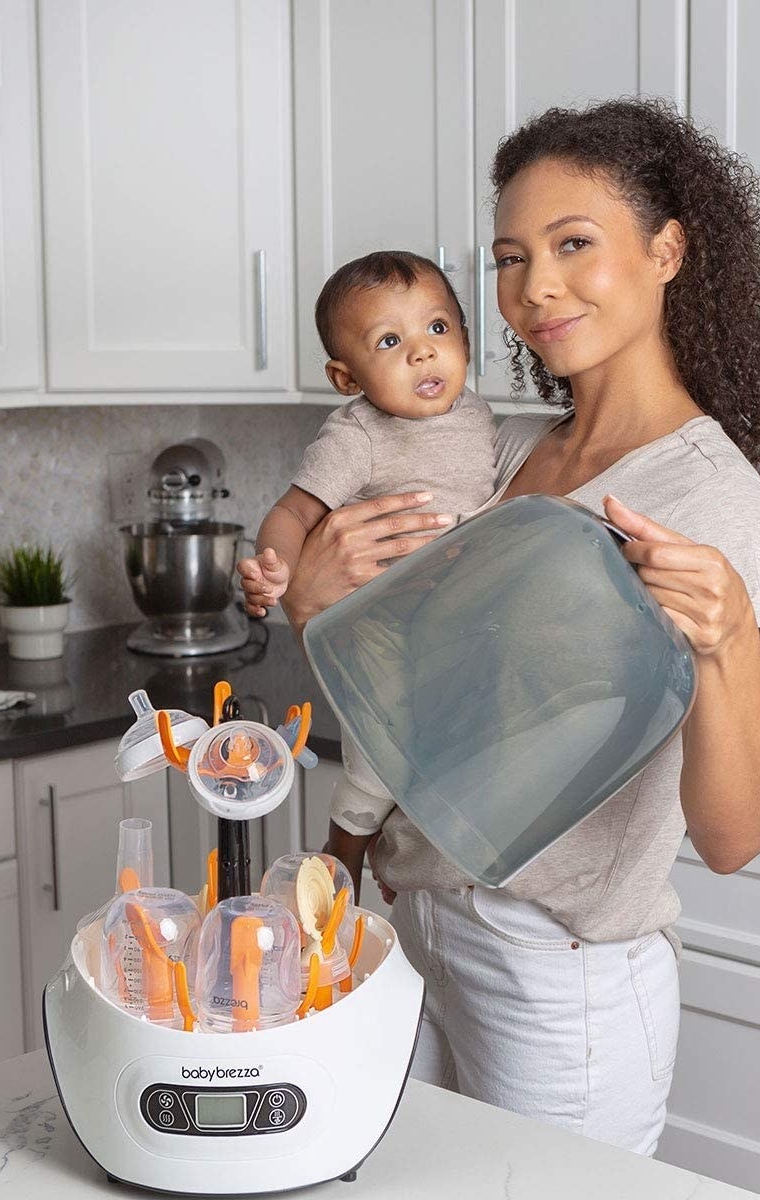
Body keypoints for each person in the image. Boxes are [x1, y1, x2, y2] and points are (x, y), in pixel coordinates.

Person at [279, 98, 760, 1153]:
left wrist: (727, 636)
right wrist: (313, 597)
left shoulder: (707, 498)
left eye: (574, 246)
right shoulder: (507, 454)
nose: (536, 288)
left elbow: (734, 836)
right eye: (512, 258)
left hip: (557, 973)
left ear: (666, 252)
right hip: (415, 922)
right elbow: (426, 695)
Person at [237, 251, 497, 890]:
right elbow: (293, 513)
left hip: (451, 629)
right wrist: (277, 569)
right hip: (379, 625)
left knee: (448, 746)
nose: (422, 353)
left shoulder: (480, 415)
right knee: (382, 755)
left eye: (438, 329)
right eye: (390, 341)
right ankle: (344, 855)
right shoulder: (357, 436)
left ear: (465, 338)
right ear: (346, 377)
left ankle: (395, 848)